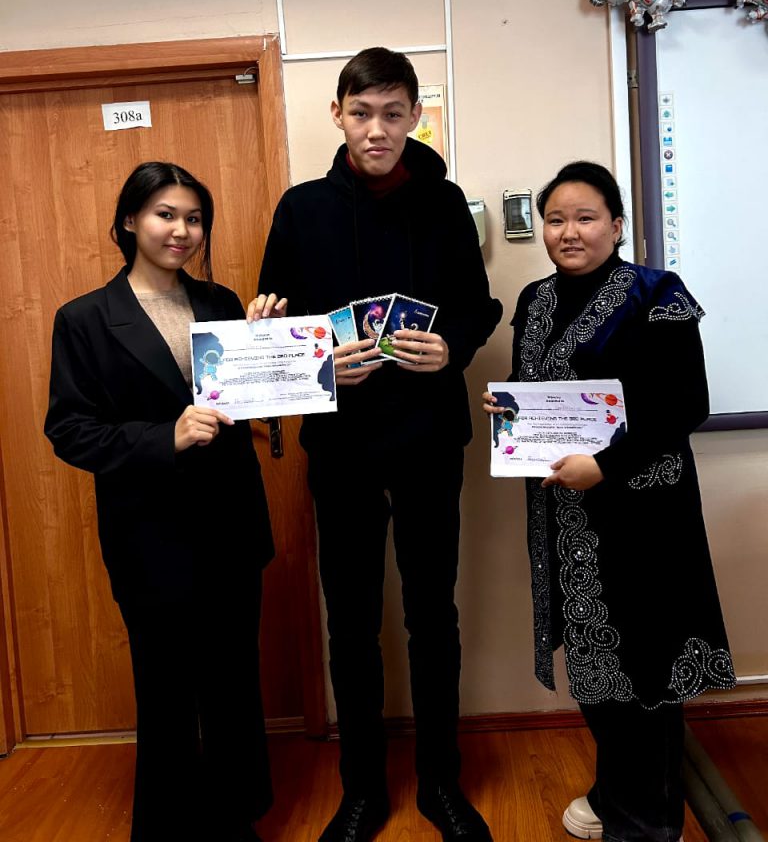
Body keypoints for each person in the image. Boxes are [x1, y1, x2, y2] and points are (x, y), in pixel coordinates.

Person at [252, 47, 502, 842]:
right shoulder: (301, 209)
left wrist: (450, 348)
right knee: (352, 622)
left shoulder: (446, 202)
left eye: (394, 114)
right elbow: (279, 327)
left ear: (415, 117)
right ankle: (361, 790)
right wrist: (303, 354)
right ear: (338, 115)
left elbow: (479, 308)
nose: (377, 130)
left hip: (429, 438)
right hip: (342, 443)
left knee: (433, 616)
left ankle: (440, 783)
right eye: (361, 113)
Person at [484, 161, 735, 842]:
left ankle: (647, 823)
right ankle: (620, 792)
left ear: (617, 226)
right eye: (556, 219)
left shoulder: (657, 294)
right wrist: (510, 412)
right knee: (594, 664)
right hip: (564, 516)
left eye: (586, 217)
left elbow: (686, 403)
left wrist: (606, 464)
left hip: (642, 516)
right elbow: (538, 392)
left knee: (644, 672)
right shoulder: (535, 299)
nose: (569, 231)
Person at [45, 162, 281, 842]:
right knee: (166, 686)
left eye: (194, 218)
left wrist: (267, 343)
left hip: (231, 523)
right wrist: (163, 437)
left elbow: (252, 402)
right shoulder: (86, 319)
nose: (182, 230)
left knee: (233, 680)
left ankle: (237, 817)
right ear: (130, 220)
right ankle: (169, 826)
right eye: (165, 214)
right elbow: (69, 430)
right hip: (149, 534)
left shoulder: (221, 302)